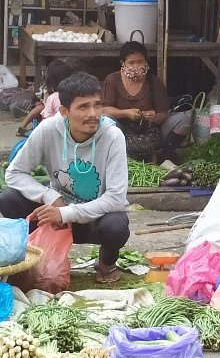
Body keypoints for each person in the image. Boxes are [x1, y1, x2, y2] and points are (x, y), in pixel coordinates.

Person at [0, 72, 129, 283]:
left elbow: (116, 197)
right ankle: (33, 257)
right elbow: (14, 173)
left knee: (116, 225)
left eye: (97, 105)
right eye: (83, 107)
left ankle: (106, 264)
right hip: (54, 216)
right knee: (8, 198)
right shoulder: (48, 129)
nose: (93, 113)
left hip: (92, 219)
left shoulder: (113, 136)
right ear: (64, 111)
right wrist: (50, 196)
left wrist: (67, 213)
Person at [101, 41, 189, 162]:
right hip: (121, 131)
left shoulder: (154, 82)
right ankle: (119, 158)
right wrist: (126, 113)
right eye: (131, 63)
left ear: (146, 61)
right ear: (123, 64)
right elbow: (105, 109)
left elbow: (163, 112)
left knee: (183, 120)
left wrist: (154, 118)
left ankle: (164, 157)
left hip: (150, 132)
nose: (136, 66)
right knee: (105, 119)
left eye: (140, 61)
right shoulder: (112, 80)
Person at [17, 60, 74, 135]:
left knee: (40, 107)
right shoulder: (72, 94)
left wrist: (40, 131)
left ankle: (24, 127)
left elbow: (45, 118)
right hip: (71, 126)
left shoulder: (53, 96)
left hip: (54, 126)